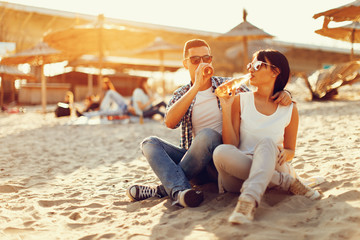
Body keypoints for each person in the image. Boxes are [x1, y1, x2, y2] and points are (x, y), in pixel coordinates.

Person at [126, 39, 292, 208]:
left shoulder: (227, 85)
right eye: (195, 60)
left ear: (211, 60)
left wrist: (284, 92)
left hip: (222, 159)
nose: (202, 64)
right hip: (194, 163)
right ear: (186, 64)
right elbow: (170, 122)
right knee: (149, 143)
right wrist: (196, 86)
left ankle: (165, 190)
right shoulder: (182, 93)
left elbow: (262, 95)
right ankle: (180, 191)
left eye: (206, 58)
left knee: (207, 134)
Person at [213, 49, 321, 224]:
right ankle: (286, 181)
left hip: (273, 163)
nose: (251, 69)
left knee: (267, 143)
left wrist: (285, 154)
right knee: (220, 151)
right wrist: (226, 107)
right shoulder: (240, 100)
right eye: (250, 65)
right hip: (237, 175)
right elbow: (231, 144)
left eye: (257, 65)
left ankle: (248, 201)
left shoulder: (290, 109)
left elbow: (290, 150)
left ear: (275, 72)